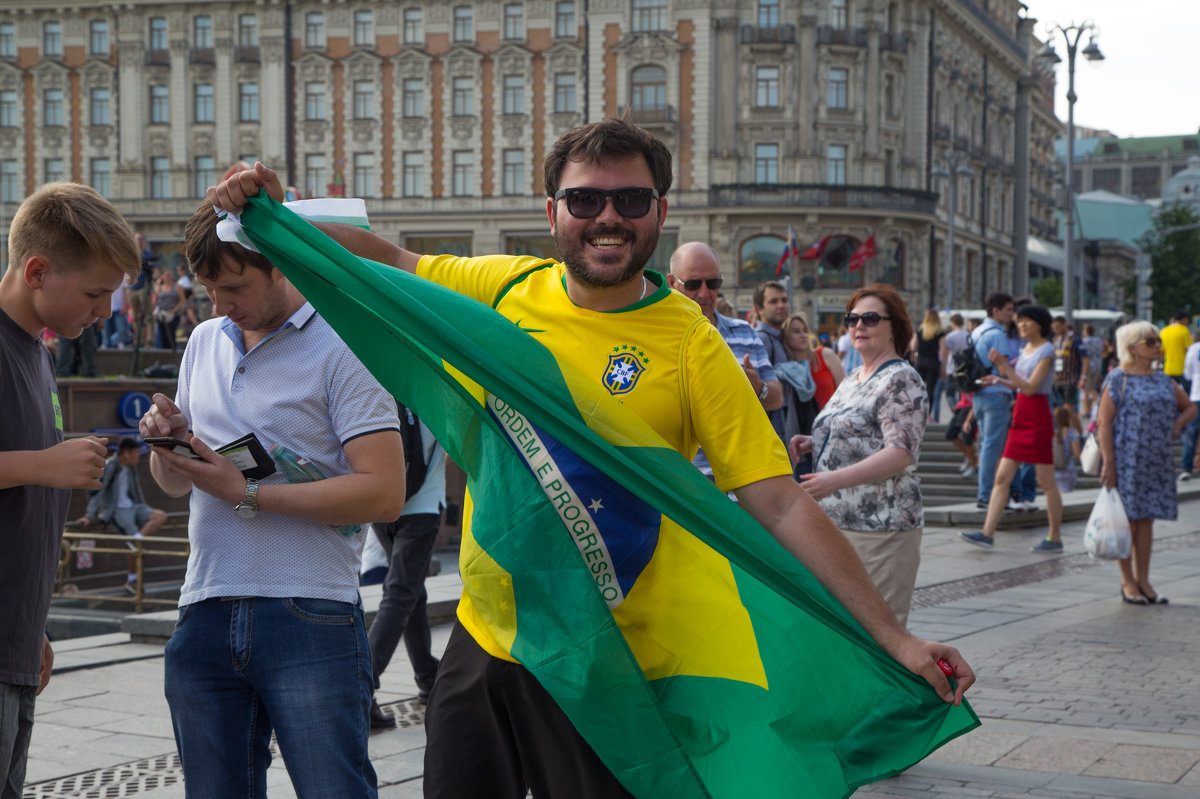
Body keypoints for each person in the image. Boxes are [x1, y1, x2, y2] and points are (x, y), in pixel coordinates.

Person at [210, 119, 974, 798]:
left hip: (613, 654)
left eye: (631, 201)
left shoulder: (688, 341)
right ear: (553, 214)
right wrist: (276, 212)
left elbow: (777, 500)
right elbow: (388, 259)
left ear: (658, 216)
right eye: (585, 201)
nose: (608, 217)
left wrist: (895, 637)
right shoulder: (506, 287)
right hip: (491, 632)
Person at [138, 200, 405, 797]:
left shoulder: (344, 344)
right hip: (204, 604)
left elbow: (385, 493)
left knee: (332, 788)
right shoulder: (205, 341)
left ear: (281, 267)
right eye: (209, 289)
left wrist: (251, 494)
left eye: (233, 287)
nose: (219, 306)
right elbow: (175, 487)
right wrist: (170, 446)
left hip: (308, 610)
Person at [0, 182, 139, 796]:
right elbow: (34, 472)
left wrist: (35, 628)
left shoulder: (39, 353)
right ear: (36, 271)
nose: (105, 311)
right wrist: (40, 466)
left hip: (16, 642)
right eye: (94, 292)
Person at [786, 285, 927, 627]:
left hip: (881, 526)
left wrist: (834, 479)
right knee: (847, 632)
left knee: (882, 634)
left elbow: (900, 452)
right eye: (852, 319)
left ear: (895, 326)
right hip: (837, 525)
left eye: (871, 318)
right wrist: (813, 440)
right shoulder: (853, 377)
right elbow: (855, 431)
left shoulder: (901, 378)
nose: (858, 326)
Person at [1097, 322, 1196, 605]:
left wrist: (1176, 425)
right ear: (1132, 348)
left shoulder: (1165, 380)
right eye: (1151, 341)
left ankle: (1144, 580)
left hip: (1157, 459)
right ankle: (1127, 580)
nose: (1158, 347)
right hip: (1126, 459)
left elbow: (1190, 407)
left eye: (1157, 341)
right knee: (1125, 520)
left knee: (1147, 519)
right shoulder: (1118, 379)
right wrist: (1109, 463)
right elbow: (1104, 424)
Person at [960, 304, 1064, 552]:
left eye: (1027, 321)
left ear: (1039, 323)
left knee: (1046, 481)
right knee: (1002, 477)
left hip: (1037, 415)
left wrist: (1004, 369)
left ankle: (1055, 537)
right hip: (1021, 413)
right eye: (1019, 321)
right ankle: (987, 533)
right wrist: (1000, 379)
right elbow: (1021, 386)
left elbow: (1031, 387)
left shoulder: (1046, 350)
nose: (1021, 325)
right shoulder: (1027, 348)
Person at [368, 408, 445, 729]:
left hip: (383, 506)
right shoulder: (433, 394)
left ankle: (427, 675)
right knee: (400, 594)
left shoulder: (386, 391)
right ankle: (361, 686)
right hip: (422, 507)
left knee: (410, 591)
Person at [76, 437, 168, 594]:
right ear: (126, 453)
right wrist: (89, 516)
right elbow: (98, 490)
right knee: (133, 548)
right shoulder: (111, 466)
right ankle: (132, 581)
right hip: (117, 510)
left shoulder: (131, 468)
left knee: (159, 516)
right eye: (136, 453)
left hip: (134, 507)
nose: (138, 456)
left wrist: (142, 506)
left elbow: (137, 490)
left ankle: (136, 539)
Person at [971, 292, 1015, 511]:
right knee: (993, 446)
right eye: (1008, 310)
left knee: (985, 445)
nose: (1011, 314)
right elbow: (1003, 367)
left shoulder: (977, 330)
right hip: (996, 392)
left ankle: (987, 493)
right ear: (995, 310)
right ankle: (987, 495)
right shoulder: (997, 333)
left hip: (979, 393)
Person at [777, 311, 843, 441]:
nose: (803, 335)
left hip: (832, 430)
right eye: (796, 331)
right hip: (802, 433)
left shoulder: (825, 355)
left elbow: (846, 393)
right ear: (785, 337)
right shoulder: (785, 369)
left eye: (805, 330)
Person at [911, 309, 945, 422]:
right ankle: (927, 413)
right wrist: (943, 366)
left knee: (918, 388)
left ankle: (916, 410)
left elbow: (913, 347)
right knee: (930, 389)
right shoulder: (939, 332)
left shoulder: (920, 330)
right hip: (933, 363)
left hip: (920, 362)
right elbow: (943, 351)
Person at [1051, 315, 1086, 410]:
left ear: (1064, 325)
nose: (1055, 330)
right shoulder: (1055, 340)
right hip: (1057, 379)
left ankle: (1074, 425)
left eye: (1057, 327)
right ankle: (1063, 425)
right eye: (1054, 328)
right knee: (1058, 409)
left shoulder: (1075, 339)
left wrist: (1083, 377)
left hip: (1070, 379)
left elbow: (1085, 359)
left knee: (1068, 410)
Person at [940, 313, 969, 415]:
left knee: (949, 393)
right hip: (965, 367)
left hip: (952, 367)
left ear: (953, 323)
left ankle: (956, 409)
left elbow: (945, 352)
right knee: (962, 393)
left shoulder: (950, 336)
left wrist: (943, 366)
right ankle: (961, 409)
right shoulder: (968, 335)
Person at [1181, 332, 1200, 480]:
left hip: (1197, 393)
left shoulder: (1193, 349)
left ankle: (1186, 466)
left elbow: (1187, 373)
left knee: (1192, 430)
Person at [945, 391, 977, 478]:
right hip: (961, 406)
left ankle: (973, 466)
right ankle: (969, 457)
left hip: (972, 406)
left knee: (967, 438)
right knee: (950, 434)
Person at [152, 268, 186, 350]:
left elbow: (182, 300)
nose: (168, 276)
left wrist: (174, 310)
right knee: (161, 336)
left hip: (173, 315)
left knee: (170, 335)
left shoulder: (177, 287)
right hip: (161, 314)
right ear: (162, 276)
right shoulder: (159, 287)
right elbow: (154, 301)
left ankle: (172, 353)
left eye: (170, 274)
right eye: (166, 275)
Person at [1052, 405, 1083, 493]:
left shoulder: (1051, 433)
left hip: (1053, 471)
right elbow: (1077, 453)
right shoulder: (1072, 432)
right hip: (1068, 471)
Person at [1078, 323, 1104, 419]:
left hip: (1087, 367)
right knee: (1091, 387)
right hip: (1097, 365)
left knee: (1088, 389)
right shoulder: (1098, 340)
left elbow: (1083, 355)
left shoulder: (1084, 341)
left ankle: (1101, 403)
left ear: (1086, 331)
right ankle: (1088, 410)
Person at [1160, 310, 1191, 388]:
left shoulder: (1164, 331)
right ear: (1184, 319)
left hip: (1168, 369)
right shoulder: (1184, 330)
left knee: (1170, 391)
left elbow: (1161, 351)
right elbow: (1189, 349)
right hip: (1182, 368)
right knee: (1188, 393)